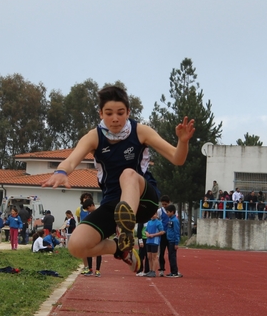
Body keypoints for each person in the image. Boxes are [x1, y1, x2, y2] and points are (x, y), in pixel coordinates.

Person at [42, 85, 195, 273]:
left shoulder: (141, 131)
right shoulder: (94, 137)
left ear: (128, 112)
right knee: (76, 245)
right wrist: (61, 172)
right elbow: (72, 160)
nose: (115, 118)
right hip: (113, 203)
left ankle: (125, 229)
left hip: (143, 199)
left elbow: (177, 159)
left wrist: (183, 142)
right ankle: (122, 248)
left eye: (120, 113)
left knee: (128, 173)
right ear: (100, 114)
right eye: (109, 113)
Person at [163, 204, 182, 277]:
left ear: (172, 212)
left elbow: (176, 232)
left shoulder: (175, 221)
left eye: (168, 212)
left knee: (172, 256)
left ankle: (174, 272)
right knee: (170, 257)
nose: (167, 213)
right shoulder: (170, 220)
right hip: (169, 240)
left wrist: (176, 243)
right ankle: (172, 271)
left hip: (173, 241)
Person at [143, 213, 164, 277]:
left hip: (155, 241)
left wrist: (153, 235)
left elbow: (162, 232)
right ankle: (150, 270)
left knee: (154, 257)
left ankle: (154, 271)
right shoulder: (149, 222)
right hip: (148, 241)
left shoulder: (158, 222)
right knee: (149, 257)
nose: (153, 215)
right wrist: (147, 234)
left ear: (157, 215)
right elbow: (146, 230)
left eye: (154, 214)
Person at [157, 195, 171, 277]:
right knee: (161, 252)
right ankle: (161, 269)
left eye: (166, 204)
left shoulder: (173, 211)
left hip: (170, 235)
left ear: (169, 203)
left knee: (171, 253)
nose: (164, 206)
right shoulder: (159, 211)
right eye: (163, 204)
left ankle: (173, 270)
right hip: (162, 235)